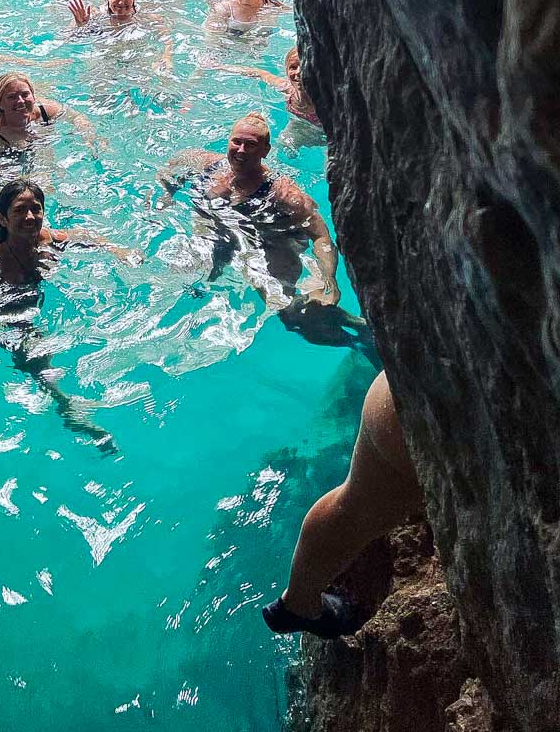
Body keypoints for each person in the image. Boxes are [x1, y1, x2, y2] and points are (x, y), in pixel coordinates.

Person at [0, 179, 140, 451]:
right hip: (0, 311)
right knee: (35, 354)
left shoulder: (47, 240)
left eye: (36, 208)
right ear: (3, 219)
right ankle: (67, 407)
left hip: (29, 297)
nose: (30, 217)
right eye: (20, 210)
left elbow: (85, 236)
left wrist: (120, 251)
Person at [156, 114, 370, 346]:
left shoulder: (284, 193)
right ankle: (358, 330)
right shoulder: (207, 163)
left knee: (291, 313)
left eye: (251, 145)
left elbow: (320, 236)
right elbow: (173, 165)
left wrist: (328, 280)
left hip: (271, 240)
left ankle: (359, 335)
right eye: (237, 141)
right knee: (184, 278)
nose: (241, 150)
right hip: (222, 234)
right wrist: (166, 194)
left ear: (265, 151)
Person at [263, 370, 423, 638]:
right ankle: (298, 604)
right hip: (422, 422)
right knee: (366, 508)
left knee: (356, 505)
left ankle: (296, 602)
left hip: (395, 391)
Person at [0, 73, 103, 162]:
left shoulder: (47, 111)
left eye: (25, 94)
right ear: (0, 104)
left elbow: (77, 117)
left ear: (33, 96)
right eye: (11, 97)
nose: (20, 101)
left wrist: (89, 138)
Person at [68, 0, 174, 75]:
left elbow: (167, 39)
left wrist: (166, 57)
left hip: (137, 63)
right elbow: (68, 41)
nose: (121, 2)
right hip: (102, 64)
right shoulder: (92, 16)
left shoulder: (146, 17)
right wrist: (81, 27)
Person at [205, 46, 321, 127]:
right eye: (293, 67)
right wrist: (219, 66)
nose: (298, 72)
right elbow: (259, 73)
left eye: (306, 67)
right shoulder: (287, 88)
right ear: (286, 71)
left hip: (329, 132)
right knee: (285, 144)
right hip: (301, 125)